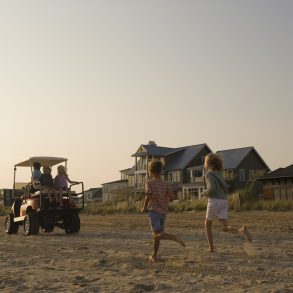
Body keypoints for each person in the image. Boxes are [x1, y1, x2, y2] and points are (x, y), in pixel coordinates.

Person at [201, 153, 252, 253]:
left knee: (207, 224)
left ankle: (211, 249)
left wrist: (204, 193)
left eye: (205, 162)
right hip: (224, 201)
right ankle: (241, 230)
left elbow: (212, 188)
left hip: (214, 201)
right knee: (224, 227)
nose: (204, 165)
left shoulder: (208, 174)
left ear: (209, 165)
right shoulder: (220, 174)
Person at [141, 160, 185, 262]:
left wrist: (144, 207)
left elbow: (149, 195)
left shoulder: (149, 183)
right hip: (163, 213)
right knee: (157, 236)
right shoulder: (166, 184)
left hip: (154, 212)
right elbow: (172, 197)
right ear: (160, 171)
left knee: (156, 235)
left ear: (150, 171)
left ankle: (175, 237)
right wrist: (165, 200)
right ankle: (154, 256)